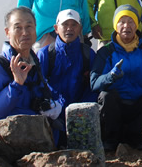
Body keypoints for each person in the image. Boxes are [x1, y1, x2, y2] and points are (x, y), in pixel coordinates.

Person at [90, 5, 142, 151]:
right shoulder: (106, 51)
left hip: (137, 104)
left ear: (137, 25)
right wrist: (110, 76)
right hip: (115, 106)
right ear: (115, 25)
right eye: (122, 21)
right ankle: (111, 138)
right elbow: (94, 83)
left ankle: (134, 136)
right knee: (106, 96)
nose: (126, 26)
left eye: (131, 21)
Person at [0, 7, 62, 122]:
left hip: (36, 133)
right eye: (18, 28)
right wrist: (16, 84)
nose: (25, 33)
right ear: (7, 32)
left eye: (29, 26)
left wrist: (54, 104)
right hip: (10, 136)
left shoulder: (35, 64)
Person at [38, 9, 98, 146]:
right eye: (65, 24)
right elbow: (38, 85)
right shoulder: (45, 55)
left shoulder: (88, 54)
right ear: (56, 28)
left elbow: (93, 86)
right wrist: (52, 106)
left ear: (80, 29)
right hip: (53, 114)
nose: (69, 29)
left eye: (74, 25)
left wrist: (82, 107)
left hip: (80, 114)